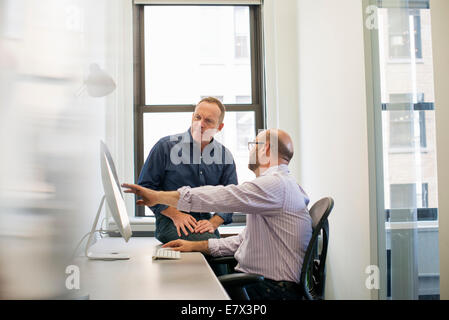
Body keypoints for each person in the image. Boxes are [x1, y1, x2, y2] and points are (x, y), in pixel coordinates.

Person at [123, 129, 312, 300]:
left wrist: (158, 196)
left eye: (254, 144)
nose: (251, 150)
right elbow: (245, 240)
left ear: (266, 149)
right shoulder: (282, 186)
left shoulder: (275, 184)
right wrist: (196, 245)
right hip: (269, 285)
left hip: (270, 291)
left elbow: (222, 196)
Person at [137, 97, 238, 244]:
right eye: (197, 117)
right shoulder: (165, 147)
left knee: (226, 251)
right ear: (192, 116)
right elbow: (145, 188)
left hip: (205, 224)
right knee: (211, 247)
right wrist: (176, 215)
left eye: (208, 121)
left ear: (219, 127)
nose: (200, 124)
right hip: (171, 221)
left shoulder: (224, 155)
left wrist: (214, 222)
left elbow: (232, 198)